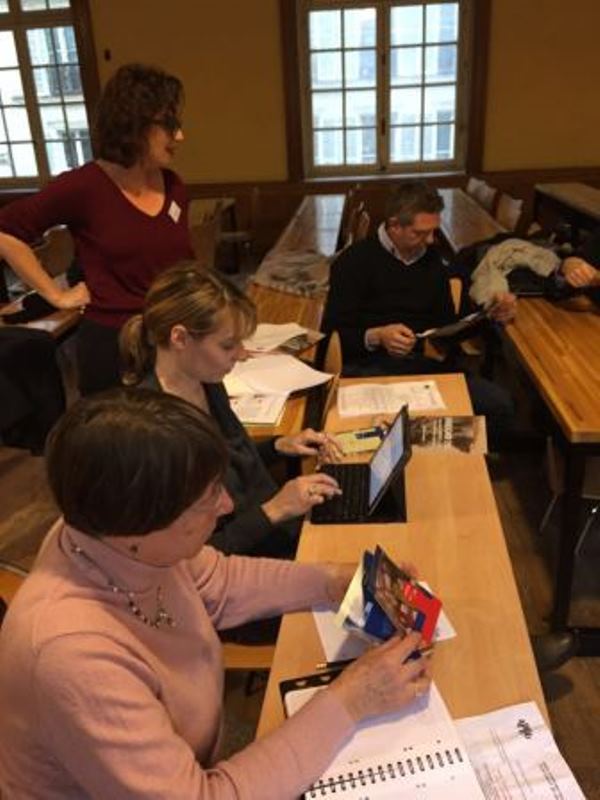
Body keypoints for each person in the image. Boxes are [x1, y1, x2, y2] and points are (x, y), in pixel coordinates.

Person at [0, 388, 432, 799]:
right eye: (208, 497)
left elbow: (221, 581)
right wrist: (353, 698)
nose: (226, 504)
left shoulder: (110, 531)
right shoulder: (71, 656)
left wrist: (333, 580)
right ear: (142, 527)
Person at [120, 264, 341, 557]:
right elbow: (190, 558)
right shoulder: (153, 432)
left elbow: (230, 465)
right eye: (227, 346)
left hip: (274, 530)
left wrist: (278, 446)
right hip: (244, 557)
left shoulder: (207, 382)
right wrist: (274, 510)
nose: (242, 355)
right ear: (180, 338)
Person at [0, 63, 193, 395]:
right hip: (113, 348)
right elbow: (6, 231)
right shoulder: (85, 186)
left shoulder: (173, 185)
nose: (179, 136)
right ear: (135, 123)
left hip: (173, 338)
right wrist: (56, 295)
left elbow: (184, 267)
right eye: (169, 124)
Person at [322, 180, 516, 448]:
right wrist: (377, 336)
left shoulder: (434, 261)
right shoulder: (353, 262)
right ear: (394, 226)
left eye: (433, 231)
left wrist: (490, 314)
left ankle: (429, 452)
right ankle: (416, 450)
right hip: (368, 368)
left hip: (422, 365)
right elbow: (331, 335)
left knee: (499, 406)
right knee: (371, 428)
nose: (431, 240)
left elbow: (449, 327)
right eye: (420, 233)